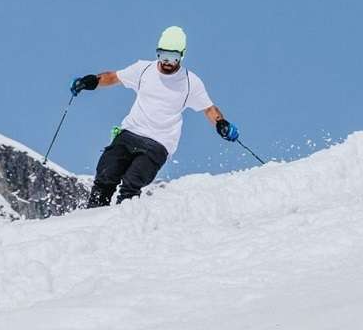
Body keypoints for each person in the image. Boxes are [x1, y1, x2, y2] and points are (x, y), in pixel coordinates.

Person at [70, 26, 239, 208]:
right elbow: (114, 77)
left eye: (173, 58)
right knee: (106, 174)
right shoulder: (143, 69)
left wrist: (221, 123)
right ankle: (92, 217)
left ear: (182, 55)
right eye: (163, 55)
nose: (167, 62)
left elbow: (209, 109)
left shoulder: (191, 83)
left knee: (132, 182)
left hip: (158, 144)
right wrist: (92, 81)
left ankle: (122, 223)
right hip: (130, 133)